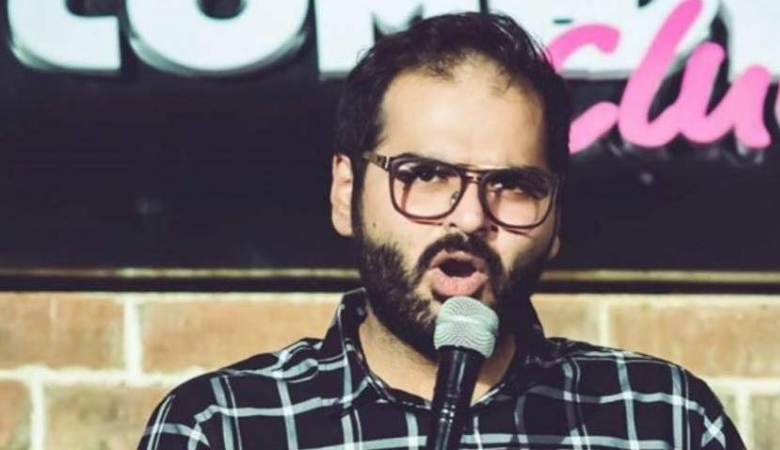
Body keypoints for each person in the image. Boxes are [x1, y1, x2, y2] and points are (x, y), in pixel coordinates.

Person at [138, 12, 745, 449]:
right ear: (347, 193)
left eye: (514, 185)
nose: (471, 217)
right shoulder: (225, 426)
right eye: (425, 175)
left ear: (556, 216)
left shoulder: (662, 420)